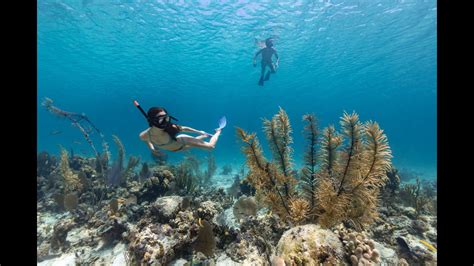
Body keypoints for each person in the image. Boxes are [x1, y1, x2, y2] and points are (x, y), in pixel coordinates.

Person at [139, 107, 222, 154]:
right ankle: (203, 136)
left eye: (167, 118)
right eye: (161, 119)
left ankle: (218, 131)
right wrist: (152, 149)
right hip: (178, 149)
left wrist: (199, 131)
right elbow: (146, 140)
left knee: (210, 147)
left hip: (182, 141)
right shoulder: (144, 135)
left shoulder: (170, 127)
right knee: (189, 146)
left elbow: (185, 128)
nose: (166, 122)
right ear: (153, 121)